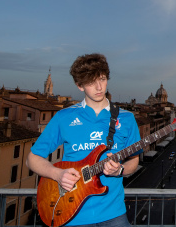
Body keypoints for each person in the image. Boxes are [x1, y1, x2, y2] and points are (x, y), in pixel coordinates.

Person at [26, 53, 141, 227]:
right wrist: (57, 174)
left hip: (114, 213)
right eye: (90, 82)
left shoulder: (127, 119)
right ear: (79, 85)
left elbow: (134, 160)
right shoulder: (63, 117)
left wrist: (120, 170)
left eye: (102, 79)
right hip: (72, 213)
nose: (98, 87)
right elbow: (31, 160)